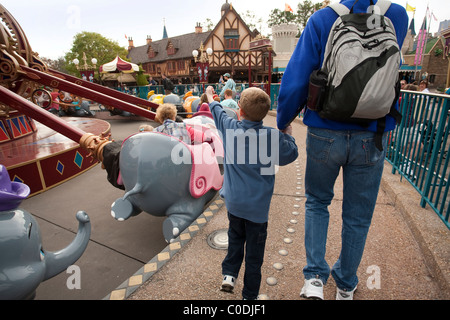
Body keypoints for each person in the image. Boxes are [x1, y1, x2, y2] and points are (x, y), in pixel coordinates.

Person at [276, 0, 408, 300]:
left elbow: (297, 77)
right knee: (358, 216)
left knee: (317, 202)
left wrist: (284, 120)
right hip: (372, 134)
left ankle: (314, 280)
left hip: (325, 129)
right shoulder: (397, 16)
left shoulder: (322, 19)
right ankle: (346, 284)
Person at [205, 85, 298, 300]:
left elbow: (215, 109)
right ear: (264, 114)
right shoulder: (273, 137)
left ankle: (229, 275)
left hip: (234, 204)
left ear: (240, 110)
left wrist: (210, 95)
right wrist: (288, 135)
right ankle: (249, 295)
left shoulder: (229, 128)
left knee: (235, 238)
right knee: (254, 256)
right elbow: (291, 154)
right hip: (257, 211)